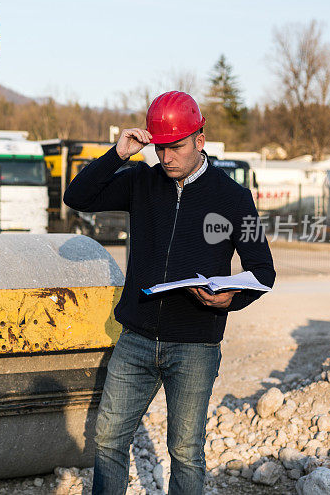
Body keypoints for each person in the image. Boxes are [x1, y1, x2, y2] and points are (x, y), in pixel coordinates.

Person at [63, 91, 276, 495]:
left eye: (176, 147)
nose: (166, 158)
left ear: (200, 139)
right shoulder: (141, 181)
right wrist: (118, 154)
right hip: (136, 340)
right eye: (160, 148)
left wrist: (232, 298)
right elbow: (77, 198)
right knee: (108, 441)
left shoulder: (233, 198)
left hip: (195, 345)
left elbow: (263, 269)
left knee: (185, 452)